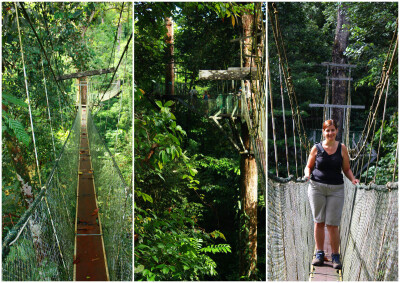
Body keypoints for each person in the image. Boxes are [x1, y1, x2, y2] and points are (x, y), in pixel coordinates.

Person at [304, 119, 359, 270]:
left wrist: (353, 179)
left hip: (336, 189)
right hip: (317, 187)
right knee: (319, 221)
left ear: (336, 131)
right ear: (323, 132)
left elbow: (346, 168)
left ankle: (335, 256)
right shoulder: (316, 148)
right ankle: (319, 254)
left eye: (332, 130)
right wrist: (307, 175)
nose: (330, 133)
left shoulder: (342, 148)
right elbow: (308, 166)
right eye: (327, 130)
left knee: (333, 224)